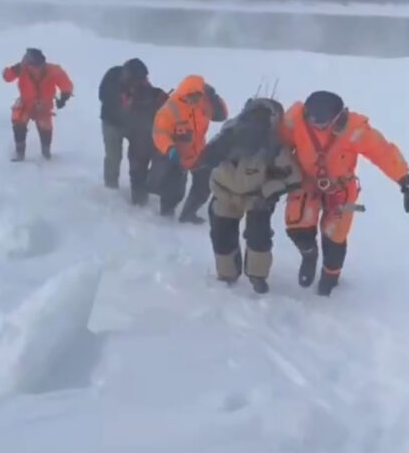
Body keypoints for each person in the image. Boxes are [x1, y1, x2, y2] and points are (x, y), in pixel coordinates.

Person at [280, 90, 409, 295]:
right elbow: (276, 144)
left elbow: (382, 152)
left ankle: (330, 276)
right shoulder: (294, 119)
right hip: (306, 183)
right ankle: (309, 254)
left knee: (334, 237)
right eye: (311, 120)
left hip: (340, 189)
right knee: (297, 226)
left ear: (337, 118)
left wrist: (406, 182)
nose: (317, 125)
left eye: (322, 122)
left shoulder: (355, 130)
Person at [199, 96, 302, 293]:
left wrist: (268, 190)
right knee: (222, 235)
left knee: (258, 236)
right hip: (224, 191)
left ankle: (257, 276)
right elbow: (205, 158)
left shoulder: (275, 146)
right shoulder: (228, 134)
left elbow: (294, 176)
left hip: (256, 196)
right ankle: (227, 274)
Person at [151, 75, 228, 223]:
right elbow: (159, 133)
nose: (194, 101)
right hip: (176, 156)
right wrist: (169, 149)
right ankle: (166, 216)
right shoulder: (169, 110)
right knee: (173, 191)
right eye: (191, 97)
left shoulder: (204, 103)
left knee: (204, 187)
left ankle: (188, 214)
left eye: (198, 97)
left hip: (198, 154)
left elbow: (222, 115)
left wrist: (215, 98)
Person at [98, 59, 168, 204]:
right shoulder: (112, 76)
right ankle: (110, 189)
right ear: (127, 75)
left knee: (138, 156)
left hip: (132, 124)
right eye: (138, 79)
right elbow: (103, 95)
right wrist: (123, 99)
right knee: (113, 156)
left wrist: (160, 98)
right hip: (112, 122)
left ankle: (138, 193)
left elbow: (150, 94)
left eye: (143, 79)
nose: (141, 82)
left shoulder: (141, 82)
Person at [2, 48, 73, 161]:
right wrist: (13, 70)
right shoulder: (21, 69)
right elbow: (6, 77)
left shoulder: (53, 70)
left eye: (39, 65)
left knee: (45, 127)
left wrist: (64, 97)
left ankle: (46, 153)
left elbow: (66, 85)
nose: (37, 69)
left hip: (44, 104)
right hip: (25, 102)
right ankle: (19, 153)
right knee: (18, 122)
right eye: (34, 66)